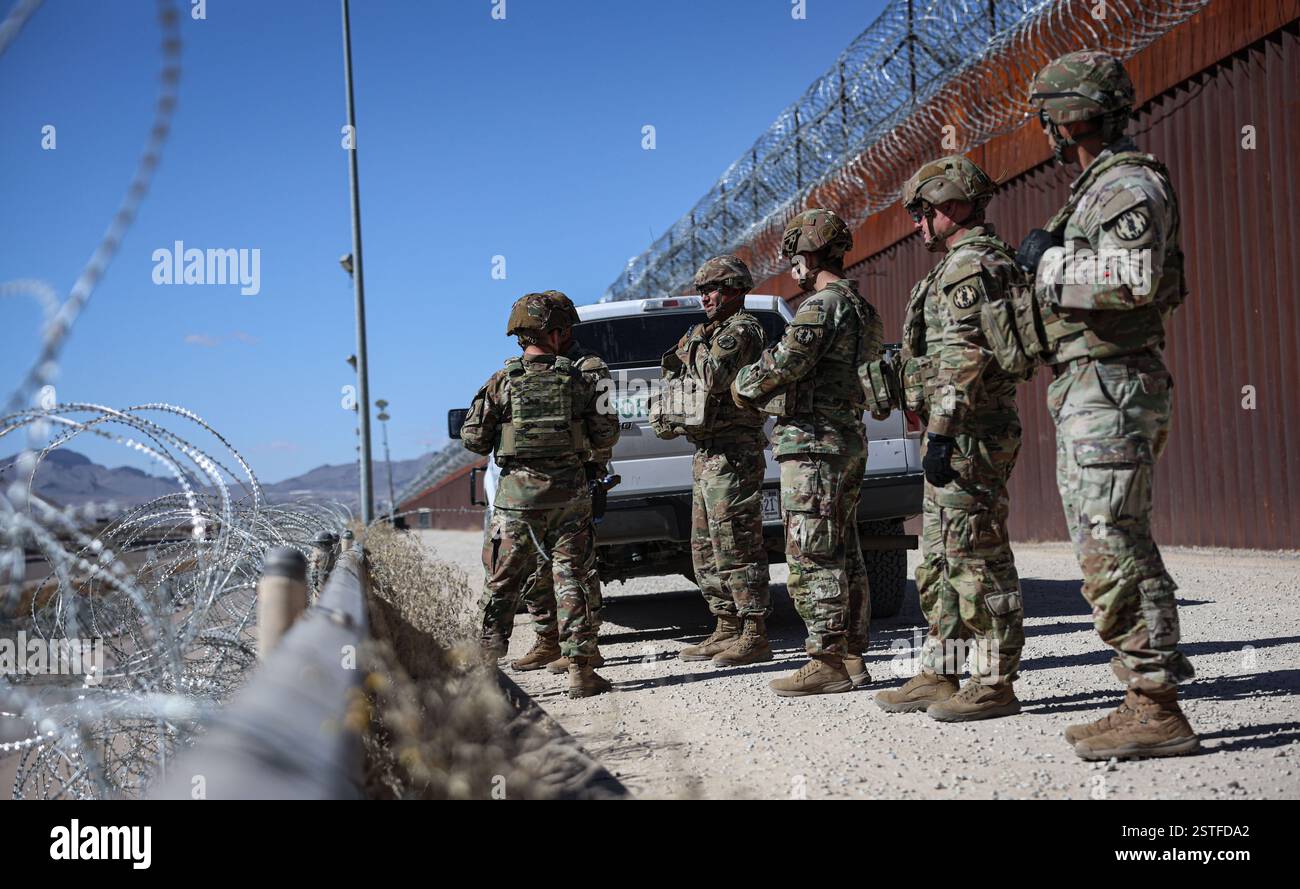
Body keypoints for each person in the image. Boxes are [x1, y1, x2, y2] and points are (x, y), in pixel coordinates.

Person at [1019, 50, 1197, 758]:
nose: (1045, 129)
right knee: (1114, 536)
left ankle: (1157, 706)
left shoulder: (1124, 184)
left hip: (1112, 381)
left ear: (1073, 114)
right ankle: (1141, 691)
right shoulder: (1095, 187)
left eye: (1049, 114)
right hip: (1095, 380)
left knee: (1110, 543)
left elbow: (1135, 277)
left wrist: (1047, 264)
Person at [875, 156, 1026, 721]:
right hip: (950, 430)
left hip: (968, 433)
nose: (916, 223)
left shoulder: (972, 266)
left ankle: (993, 681)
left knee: (977, 555)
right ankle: (943, 670)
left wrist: (941, 431)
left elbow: (966, 357)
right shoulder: (953, 267)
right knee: (939, 557)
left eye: (922, 210)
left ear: (954, 205)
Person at [733, 208, 882, 696]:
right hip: (846, 440)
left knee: (811, 551)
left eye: (795, 253)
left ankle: (826, 659)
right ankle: (852, 654)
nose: (791, 263)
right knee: (845, 548)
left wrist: (744, 385)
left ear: (809, 253)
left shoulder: (821, 308)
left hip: (814, 445)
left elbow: (783, 363)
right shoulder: (863, 308)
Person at [461, 292, 620, 698]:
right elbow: (607, 433)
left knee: (501, 583)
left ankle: (483, 673)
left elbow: (474, 440)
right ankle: (581, 671)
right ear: (557, 332)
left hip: (517, 501)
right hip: (569, 496)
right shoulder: (583, 377)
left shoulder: (502, 380)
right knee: (574, 578)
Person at [650, 255, 772, 666]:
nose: (705, 297)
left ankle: (754, 631)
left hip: (734, 449)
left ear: (737, 289)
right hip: (706, 451)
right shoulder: (705, 332)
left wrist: (695, 345)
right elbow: (678, 375)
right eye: (701, 290)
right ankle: (726, 625)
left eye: (713, 289)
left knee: (736, 540)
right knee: (705, 546)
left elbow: (715, 377)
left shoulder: (741, 330)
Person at [504, 291, 616, 675]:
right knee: (536, 565)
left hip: (577, 477)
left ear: (561, 329)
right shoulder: (524, 369)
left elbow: (606, 428)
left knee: (575, 567)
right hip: (533, 485)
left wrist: (589, 464)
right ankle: (548, 640)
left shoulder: (589, 368)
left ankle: (585, 647)